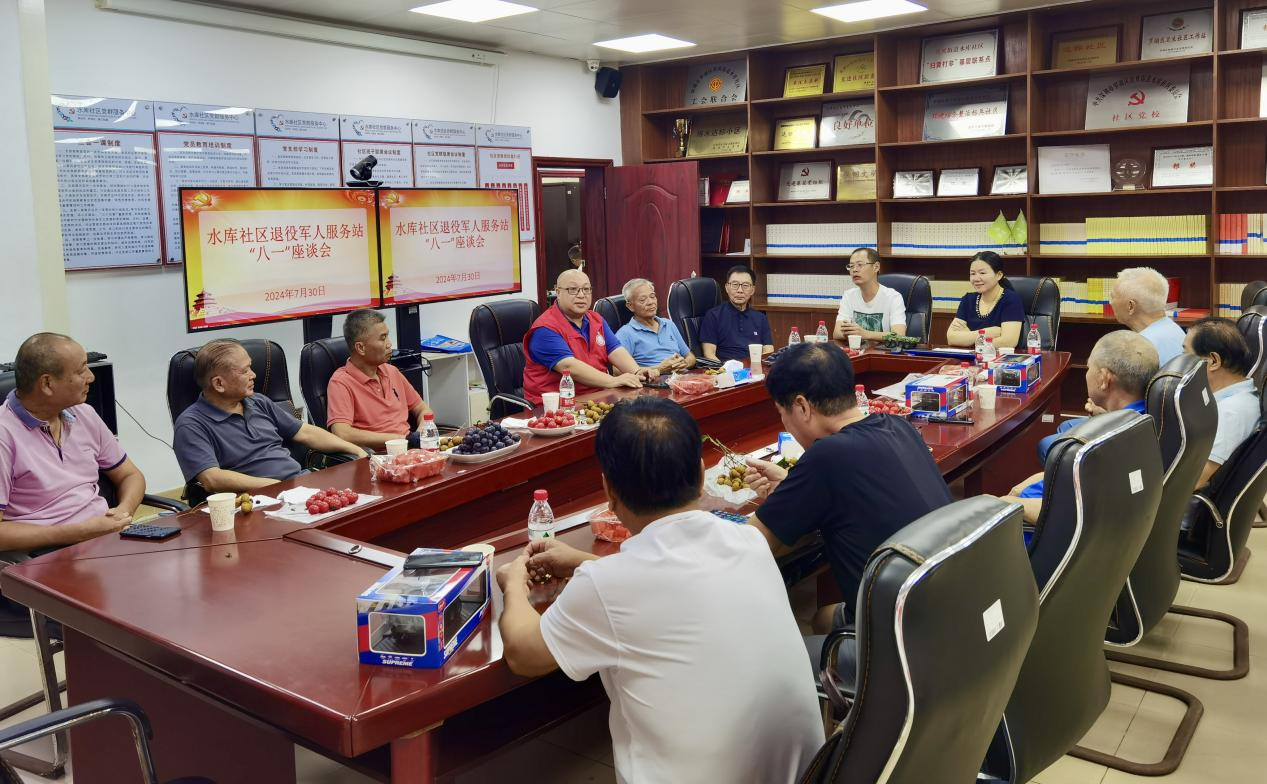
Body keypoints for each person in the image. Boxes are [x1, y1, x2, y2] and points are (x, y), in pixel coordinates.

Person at [496, 397, 824, 783]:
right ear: (701, 475)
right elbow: (669, 581)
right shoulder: (747, 541)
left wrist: (514, 580)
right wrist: (584, 563)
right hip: (811, 775)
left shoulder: (607, 586)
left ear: (609, 491)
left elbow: (523, 654)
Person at [744, 343, 952, 632]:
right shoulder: (898, 426)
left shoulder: (826, 456)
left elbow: (751, 542)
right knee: (821, 619)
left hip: (903, 634)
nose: (784, 422)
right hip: (946, 600)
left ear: (802, 407)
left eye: (782, 412)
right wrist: (791, 484)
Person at [0, 333, 146, 555]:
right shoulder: (4, 434)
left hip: (102, 542)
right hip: (42, 556)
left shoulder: (84, 414)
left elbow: (131, 475)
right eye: (81, 371)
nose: (91, 377)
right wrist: (78, 532)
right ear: (47, 383)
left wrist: (122, 512)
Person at [1003, 331, 1158, 523]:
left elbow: (1071, 513)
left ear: (1104, 379)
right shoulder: (1144, 422)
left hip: (1032, 529)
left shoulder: (1095, 447)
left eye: (1089, 367)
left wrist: (1004, 504)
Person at [174, 339, 365, 494]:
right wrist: (276, 486)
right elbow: (212, 479)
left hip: (299, 485)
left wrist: (355, 449)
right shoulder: (191, 424)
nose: (253, 375)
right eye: (245, 371)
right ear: (219, 384)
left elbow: (306, 432)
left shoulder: (258, 402)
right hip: (254, 500)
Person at [522, 269, 656, 405]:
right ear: (558, 292)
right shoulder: (545, 328)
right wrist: (613, 381)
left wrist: (637, 371)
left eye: (586, 289)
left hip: (598, 399)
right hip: (557, 407)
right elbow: (568, 366)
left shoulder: (596, 319)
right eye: (573, 289)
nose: (581, 295)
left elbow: (615, 350)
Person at [326, 309, 431, 452]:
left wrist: (420, 435)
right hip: (377, 457)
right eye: (383, 338)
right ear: (361, 348)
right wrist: (399, 439)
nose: (389, 344)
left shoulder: (391, 371)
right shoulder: (341, 382)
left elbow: (423, 409)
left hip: (411, 449)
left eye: (387, 336)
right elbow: (342, 433)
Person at [1184, 318, 1260, 487]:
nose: (1181, 363)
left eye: (1185, 354)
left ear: (1213, 361)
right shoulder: (1240, 396)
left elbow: (1194, 481)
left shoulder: (1231, 412)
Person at [614, 278, 696, 373]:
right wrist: (659, 369)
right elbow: (616, 370)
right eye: (642, 300)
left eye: (652, 296)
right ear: (630, 306)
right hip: (654, 380)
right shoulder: (625, 333)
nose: (650, 302)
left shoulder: (668, 324)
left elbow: (690, 357)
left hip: (682, 376)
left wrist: (684, 364)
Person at [946, 251, 1025, 349]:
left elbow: (1008, 342)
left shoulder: (1011, 300)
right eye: (972, 273)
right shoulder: (968, 300)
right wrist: (989, 332)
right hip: (971, 357)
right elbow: (951, 338)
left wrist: (968, 338)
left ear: (999, 275)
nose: (976, 278)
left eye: (982, 273)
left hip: (998, 357)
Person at [1110, 267, 1186, 365]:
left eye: (1113, 297)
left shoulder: (1139, 349)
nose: (1111, 303)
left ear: (1130, 306)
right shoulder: (1175, 330)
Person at [700, 265, 774, 362]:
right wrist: (725, 369)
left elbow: (768, 351)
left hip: (753, 368)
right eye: (735, 285)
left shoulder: (760, 318)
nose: (740, 290)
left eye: (745, 285)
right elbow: (709, 354)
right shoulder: (713, 316)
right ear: (727, 287)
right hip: (724, 368)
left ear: (753, 290)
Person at [833, 247, 907, 342]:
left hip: (882, 350)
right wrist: (858, 333)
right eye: (851, 266)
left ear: (876, 267)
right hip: (857, 350)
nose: (854, 270)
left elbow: (899, 335)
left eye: (860, 265)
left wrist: (866, 334)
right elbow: (837, 333)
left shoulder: (893, 297)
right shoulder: (849, 296)